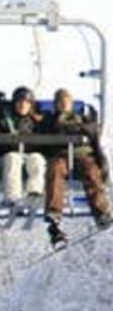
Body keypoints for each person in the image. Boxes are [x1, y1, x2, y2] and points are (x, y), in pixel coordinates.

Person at [43, 88, 111, 246]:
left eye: (66, 101)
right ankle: (54, 212)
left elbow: (92, 129)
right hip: (60, 154)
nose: (64, 104)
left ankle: (101, 211)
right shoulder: (49, 119)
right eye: (60, 102)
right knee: (55, 170)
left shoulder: (82, 117)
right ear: (56, 104)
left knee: (91, 171)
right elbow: (50, 130)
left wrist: (74, 128)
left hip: (81, 154)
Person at [0, 86, 46, 216]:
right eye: (20, 102)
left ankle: (34, 193)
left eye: (27, 103)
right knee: (12, 158)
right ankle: (13, 198)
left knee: (37, 160)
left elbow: (45, 137)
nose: (23, 105)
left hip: (30, 151)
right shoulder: (6, 119)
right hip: (12, 151)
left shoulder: (36, 120)